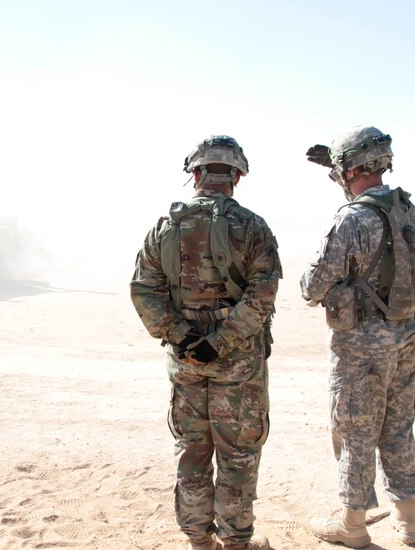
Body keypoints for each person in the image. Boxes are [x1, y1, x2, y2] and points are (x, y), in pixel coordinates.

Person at [130, 135, 281, 550]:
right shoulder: (252, 227)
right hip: (238, 363)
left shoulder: (165, 226)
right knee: (238, 453)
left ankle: (199, 541)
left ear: (195, 174)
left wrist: (183, 337)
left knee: (192, 451)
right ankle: (236, 542)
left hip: (187, 361)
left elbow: (145, 289)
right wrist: (223, 340)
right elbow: (262, 295)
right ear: (236, 177)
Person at [301, 126, 415, 547]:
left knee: (356, 432)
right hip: (406, 337)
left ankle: (353, 527)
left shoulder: (352, 218)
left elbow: (313, 285)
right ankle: (409, 523)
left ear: (349, 169)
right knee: (398, 427)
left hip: (361, 349)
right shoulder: (406, 208)